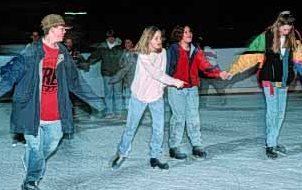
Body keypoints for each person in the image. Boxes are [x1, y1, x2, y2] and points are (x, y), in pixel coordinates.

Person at [0, 14, 105, 190]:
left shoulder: (62, 52)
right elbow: (14, 73)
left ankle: (32, 159)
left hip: (55, 110)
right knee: (35, 146)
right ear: (51, 29)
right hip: (31, 109)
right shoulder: (32, 51)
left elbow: (75, 80)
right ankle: (31, 181)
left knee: (52, 143)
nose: (64, 33)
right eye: (61, 29)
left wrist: (95, 100)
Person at [227, 11, 302, 159]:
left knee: (280, 114)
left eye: (289, 29)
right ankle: (270, 144)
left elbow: (300, 60)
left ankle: (273, 140)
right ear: (278, 25)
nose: (287, 32)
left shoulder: (294, 41)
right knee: (272, 112)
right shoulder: (265, 38)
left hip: (284, 82)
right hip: (270, 80)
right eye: (284, 29)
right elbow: (249, 57)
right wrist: (233, 70)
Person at [110, 26, 185, 170]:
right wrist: (175, 82)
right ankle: (122, 153)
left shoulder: (163, 52)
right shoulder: (143, 55)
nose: (159, 41)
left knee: (159, 128)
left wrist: (161, 88)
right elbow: (155, 73)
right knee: (131, 127)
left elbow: (162, 73)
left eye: (160, 38)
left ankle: (155, 156)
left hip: (156, 96)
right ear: (148, 39)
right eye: (155, 38)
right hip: (139, 96)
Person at [166, 25, 229, 160]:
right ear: (179, 35)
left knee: (194, 117)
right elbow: (167, 69)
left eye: (190, 32)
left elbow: (205, 67)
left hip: (192, 88)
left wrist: (219, 73)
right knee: (179, 118)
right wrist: (169, 82)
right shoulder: (173, 49)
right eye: (185, 32)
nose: (189, 34)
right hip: (176, 88)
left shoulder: (196, 50)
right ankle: (174, 146)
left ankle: (197, 145)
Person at [85, 30, 125, 119]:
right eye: (109, 37)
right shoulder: (102, 48)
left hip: (118, 74)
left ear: (115, 38)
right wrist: (86, 63)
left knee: (118, 93)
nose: (111, 39)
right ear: (106, 38)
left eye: (112, 37)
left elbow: (125, 58)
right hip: (107, 73)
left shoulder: (120, 47)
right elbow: (94, 57)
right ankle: (109, 112)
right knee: (108, 94)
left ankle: (119, 112)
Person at [195, 35, 228, 107]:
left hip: (213, 74)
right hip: (203, 76)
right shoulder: (196, 52)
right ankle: (203, 104)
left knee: (219, 88)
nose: (197, 45)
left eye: (198, 43)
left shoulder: (207, 49)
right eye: (196, 43)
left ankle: (223, 100)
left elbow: (214, 56)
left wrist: (204, 55)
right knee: (203, 91)